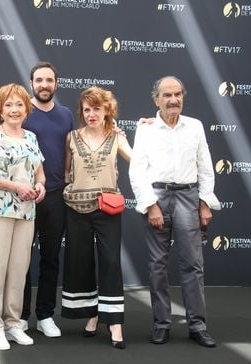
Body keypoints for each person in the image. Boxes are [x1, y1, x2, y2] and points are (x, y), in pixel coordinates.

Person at [128, 76, 220, 348]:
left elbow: (205, 167)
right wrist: (150, 204)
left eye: (177, 94)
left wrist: (204, 202)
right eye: (167, 95)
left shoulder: (195, 127)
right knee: (157, 266)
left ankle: (197, 325)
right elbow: (137, 171)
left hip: (189, 196)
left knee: (193, 265)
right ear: (156, 99)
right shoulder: (145, 129)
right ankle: (161, 323)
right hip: (157, 196)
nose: (173, 100)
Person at [61, 86, 132, 349]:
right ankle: (91, 316)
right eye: (87, 109)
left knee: (111, 262)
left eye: (97, 109)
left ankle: (115, 323)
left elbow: (137, 161)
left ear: (107, 110)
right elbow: (66, 172)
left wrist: (146, 128)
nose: (91, 114)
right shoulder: (71, 137)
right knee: (81, 262)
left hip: (107, 210)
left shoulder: (117, 137)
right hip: (76, 209)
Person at [0, 83, 46, 350]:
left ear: (26, 109)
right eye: (9, 105)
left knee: (18, 271)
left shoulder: (31, 137)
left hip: (26, 213)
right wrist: (15, 186)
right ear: (0, 109)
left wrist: (40, 186)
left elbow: (40, 174)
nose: (14, 110)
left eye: (19, 104)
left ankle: (13, 323)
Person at [19, 62, 74, 338]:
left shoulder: (65, 115)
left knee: (51, 257)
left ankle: (45, 315)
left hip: (56, 197)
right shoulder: (21, 112)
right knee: (21, 259)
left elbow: (70, 151)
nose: (44, 84)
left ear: (56, 83)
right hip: (25, 197)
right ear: (31, 83)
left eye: (49, 80)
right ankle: (19, 316)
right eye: (39, 80)